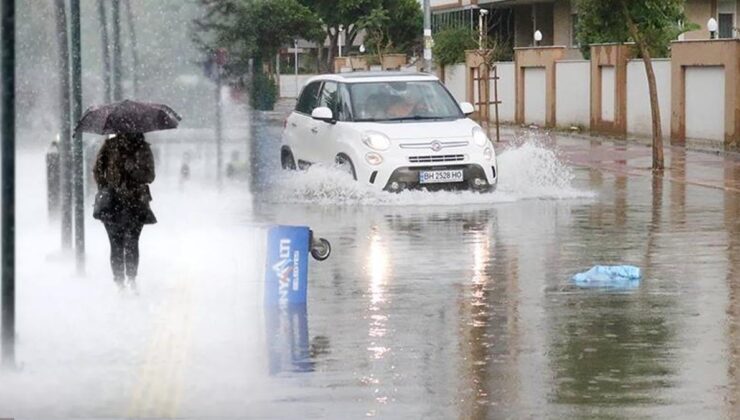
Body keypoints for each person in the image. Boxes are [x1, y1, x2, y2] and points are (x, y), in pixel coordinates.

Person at [93, 132, 156, 292]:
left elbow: (150, 176)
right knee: (116, 244)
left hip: (135, 202)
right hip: (113, 203)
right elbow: (97, 170)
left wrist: (133, 169)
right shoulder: (110, 146)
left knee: (132, 242)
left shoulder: (143, 148)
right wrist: (106, 186)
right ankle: (120, 281)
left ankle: (131, 279)